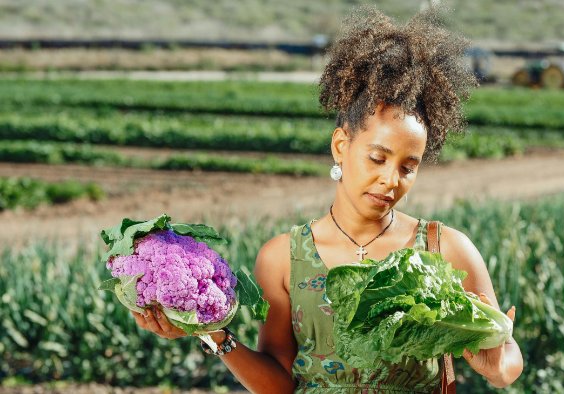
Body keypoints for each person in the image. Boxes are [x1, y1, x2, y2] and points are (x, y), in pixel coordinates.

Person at [131, 6, 523, 393]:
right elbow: (278, 385)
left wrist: (499, 368)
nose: (390, 179)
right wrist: (213, 333)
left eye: (408, 166)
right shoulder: (282, 257)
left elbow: (505, 355)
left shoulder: (446, 249)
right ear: (341, 146)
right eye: (377, 157)